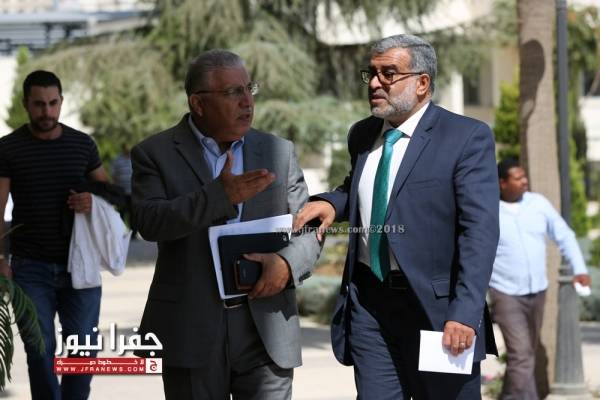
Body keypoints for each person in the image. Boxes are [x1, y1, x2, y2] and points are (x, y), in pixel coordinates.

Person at [294, 34, 499, 399]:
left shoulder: (466, 137)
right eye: (371, 73)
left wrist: (465, 312)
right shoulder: (362, 134)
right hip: (370, 304)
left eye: (388, 73)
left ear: (422, 83)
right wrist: (333, 204)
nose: (375, 83)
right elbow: (363, 187)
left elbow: (479, 232)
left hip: (437, 310)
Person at [131, 49, 320, 399]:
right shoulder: (155, 153)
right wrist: (219, 197)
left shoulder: (278, 151)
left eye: (249, 89)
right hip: (191, 330)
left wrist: (286, 263)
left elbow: (308, 227)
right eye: (233, 92)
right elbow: (149, 222)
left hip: (266, 329)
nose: (247, 101)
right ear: (198, 103)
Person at [0, 70, 109, 399]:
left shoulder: (82, 144)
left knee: (83, 349)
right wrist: (1, 259)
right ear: (25, 104)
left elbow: (109, 195)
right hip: (29, 267)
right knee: (40, 349)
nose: (46, 111)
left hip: (81, 265)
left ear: (61, 102)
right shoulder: (8, 148)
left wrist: (92, 200)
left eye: (52, 103)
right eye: (38, 104)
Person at [489, 158, 591, 400]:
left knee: (526, 354)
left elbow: (564, 235)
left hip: (537, 291)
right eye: (518, 178)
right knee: (521, 354)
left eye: (524, 176)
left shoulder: (538, 203)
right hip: (505, 292)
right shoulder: (490, 209)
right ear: (502, 183)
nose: (525, 181)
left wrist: (579, 268)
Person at [111, 143, 136, 238]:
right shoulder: (117, 160)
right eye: (125, 147)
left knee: (133, 213)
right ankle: (121, 231)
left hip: (133, 191)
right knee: (122, 212)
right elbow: (114, 175)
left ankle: (133, 233)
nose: (127, 149)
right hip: (121, 192)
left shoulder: (135, 159)